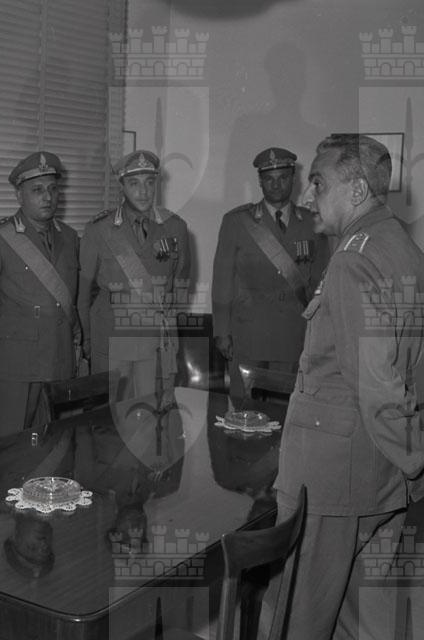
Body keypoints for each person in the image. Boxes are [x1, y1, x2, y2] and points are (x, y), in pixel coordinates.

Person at [270, 134, 424, 639]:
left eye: (318, 183)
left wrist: (416, 458)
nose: (307, 195)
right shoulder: (403, 247)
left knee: (301, 620)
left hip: (334, 482)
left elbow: (376, 383)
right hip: (382, 478)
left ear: (357, 190)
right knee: (368, 622)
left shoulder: (353, 259)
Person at [0, 151, 80, 439]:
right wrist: (7, 337)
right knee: (9, 447)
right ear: (19, 195)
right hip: (13, 364)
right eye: (37, 190)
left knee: (53, 446)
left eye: (53, 189)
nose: (48, 197)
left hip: (58, 359)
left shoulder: (69, 237)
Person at [212, 146, 329, 405]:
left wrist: (319, 333)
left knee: (287, 410)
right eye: (269, 179)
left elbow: (321, 282)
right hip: (247, 333)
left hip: (292, 333)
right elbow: (222, 281)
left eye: (283, 177)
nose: (276, 185)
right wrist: (221, 331)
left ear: (294, 179)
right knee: (243, 410)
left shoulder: (312, 223)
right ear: (260, 182)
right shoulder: (237, 222)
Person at [78, 150, 190, 401]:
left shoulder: (176, 227)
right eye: (134, 184)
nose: (143, 192)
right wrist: (87, 340)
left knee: (156, 413)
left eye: (149, 183)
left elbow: (181, 281)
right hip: (113, 338)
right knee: (112, 415)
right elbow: (83, 293)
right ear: (122, 186)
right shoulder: (100, 230)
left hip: (156, 340)